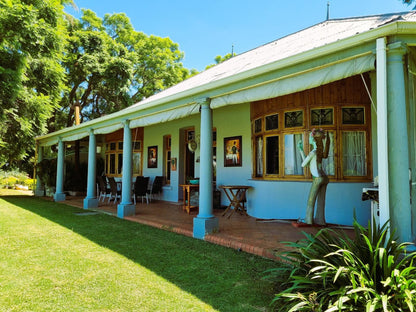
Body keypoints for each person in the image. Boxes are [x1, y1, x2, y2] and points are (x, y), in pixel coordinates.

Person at [297, 128, 330, 225]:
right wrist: (301, 150)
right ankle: (320, 220)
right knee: (321, 201)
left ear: (314, 140)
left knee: (311, 201)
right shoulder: (319, 152)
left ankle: (308, 219)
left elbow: (303, 165)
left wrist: (301, 151)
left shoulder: (313, 153)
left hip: (317, 178)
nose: (309, 139)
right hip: (324, 178)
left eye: (311, 138)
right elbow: (308, 164)